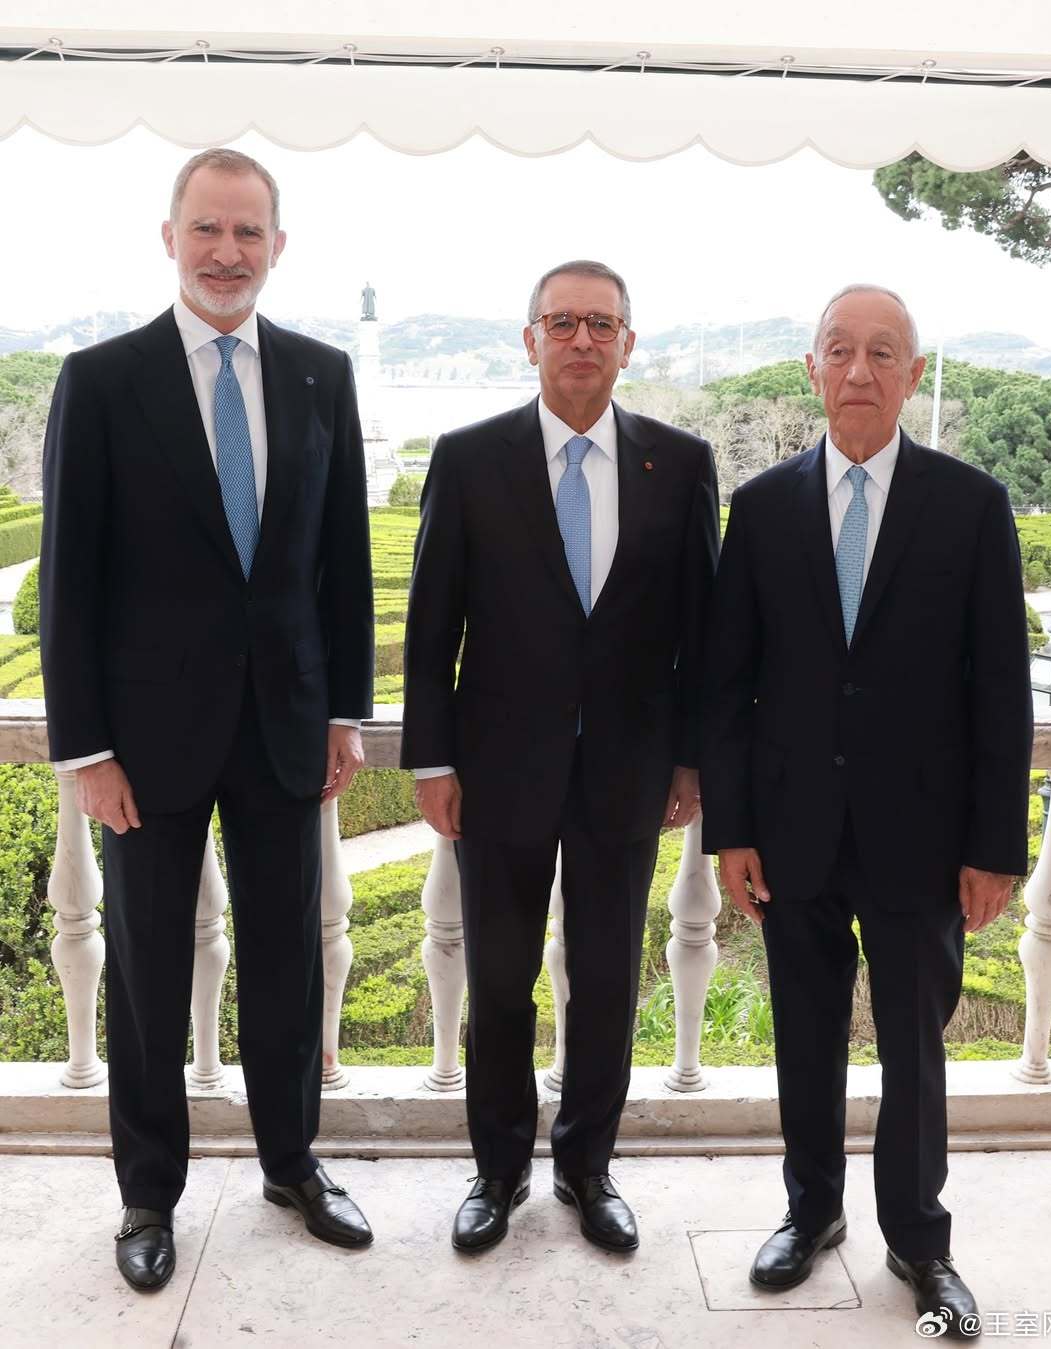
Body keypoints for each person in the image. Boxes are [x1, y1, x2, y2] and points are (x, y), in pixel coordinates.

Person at [39, 148, 376, 1292]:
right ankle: (148, 1192)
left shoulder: (323, 374)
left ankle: (293, 1163)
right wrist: (87, 749)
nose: (228, 252)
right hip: (142, 742)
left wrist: (343, 713)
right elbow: (71, 576)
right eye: (208, 229)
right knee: (142, 971)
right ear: (170, 237)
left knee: (288, 955)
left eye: (248, 232)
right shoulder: (102, 378)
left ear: (278, 245)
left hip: (285, 727)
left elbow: (340, 563)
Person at [701, 284, 1032, 1333]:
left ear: (913, 375)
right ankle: (811, 1212)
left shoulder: (971, 505)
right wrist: (731, 829)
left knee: (914, 1050)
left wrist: (995, 845)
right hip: (791, 829)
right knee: (804, 1035)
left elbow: (1002, 691)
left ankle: (921, 1241)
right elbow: (728, 685)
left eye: (883, 352)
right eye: (839, 350)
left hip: (922, 837)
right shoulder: (761, 508)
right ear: (811, 369)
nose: (859, 370)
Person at [401, 260, 720, 1254]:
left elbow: (701, 633)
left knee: (608, 977)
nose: (583, 339)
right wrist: (432, 761)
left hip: (628, 771)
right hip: (497, 770)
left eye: (602, 323)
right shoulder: (469, 457)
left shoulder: (682, 462)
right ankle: (497, 1169)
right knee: (499, 978)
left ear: (629, 342)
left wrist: (691, 760)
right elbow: (430, 626)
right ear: (530, 338)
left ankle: (589, 1166)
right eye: (564, 321)